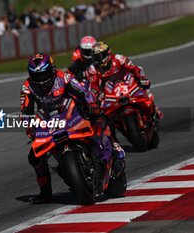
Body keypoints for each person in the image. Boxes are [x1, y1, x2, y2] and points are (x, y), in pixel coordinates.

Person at [20, 53, 112, 204]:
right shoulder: (27, 87)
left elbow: (83, 91)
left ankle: (106, 151)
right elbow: (26, 111)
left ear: (52, 70)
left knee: (97, 121)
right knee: (34, 157)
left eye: (44, 74)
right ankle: (45, 193)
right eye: (37, 76)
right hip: (47, 119)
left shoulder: (64, 77)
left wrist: (91, 103)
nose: (41, 80)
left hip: (70, 110)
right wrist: (28, 126)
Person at [86, 41, 163, 141]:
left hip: (128, 86)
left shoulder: (119, 58)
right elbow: (93, 86)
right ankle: (113, 144)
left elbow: (135, 69)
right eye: (96, 57)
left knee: (146, 88)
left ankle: (154, 110)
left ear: (108, 53)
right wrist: (97, 95)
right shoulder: (92, 69)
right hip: (110, 94)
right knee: (102, 118)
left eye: (101, 56)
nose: (99, 59)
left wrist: (141, 78)